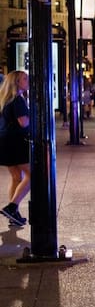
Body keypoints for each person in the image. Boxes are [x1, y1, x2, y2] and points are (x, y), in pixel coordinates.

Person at [0, 70, 31, 227]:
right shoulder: (18, 99)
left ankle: (13, 214)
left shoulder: (5, 100)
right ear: (17, 83)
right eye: (25, 79)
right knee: (33, 175)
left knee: (16, 177)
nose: (28, 80)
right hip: (16, 142)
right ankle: (12, 207)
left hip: (4, 141)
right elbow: (23, 123)